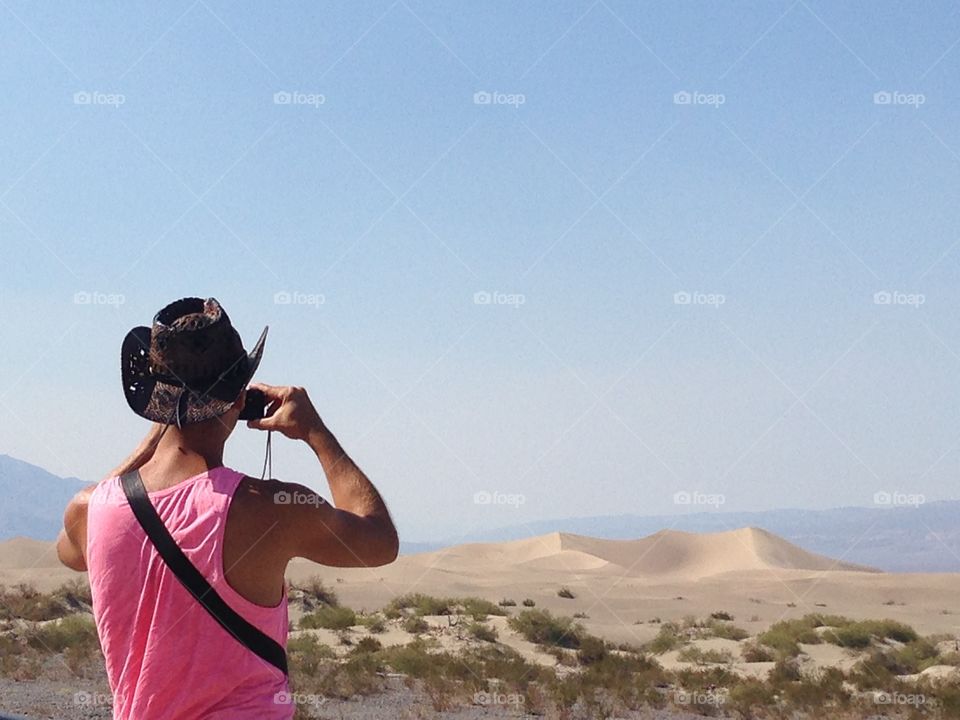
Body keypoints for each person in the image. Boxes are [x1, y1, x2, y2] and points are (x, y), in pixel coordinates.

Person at [56, 297, 398, 719]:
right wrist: (315, 431)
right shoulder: (272, 508)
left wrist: (152, 438)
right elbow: (379, 541)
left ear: (156, 401)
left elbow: (71, 551)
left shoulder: (89, 510)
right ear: (240, 398)